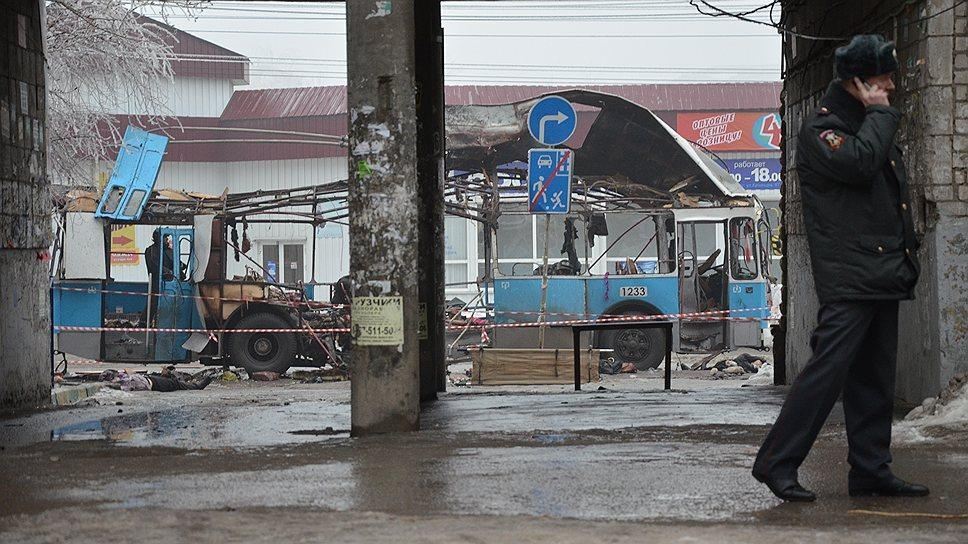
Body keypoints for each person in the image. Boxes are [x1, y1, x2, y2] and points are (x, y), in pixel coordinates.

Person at [752, 35, 927, 502]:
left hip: (881, 269)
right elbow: (862, 164)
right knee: (826, 373)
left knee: (874, 377)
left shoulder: (866, 123)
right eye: (884, 76)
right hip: (851, 274)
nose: (892, 83)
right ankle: (776, 462)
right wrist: (882, 114)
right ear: (859, 82)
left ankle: (871, 469)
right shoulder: (823, 131)